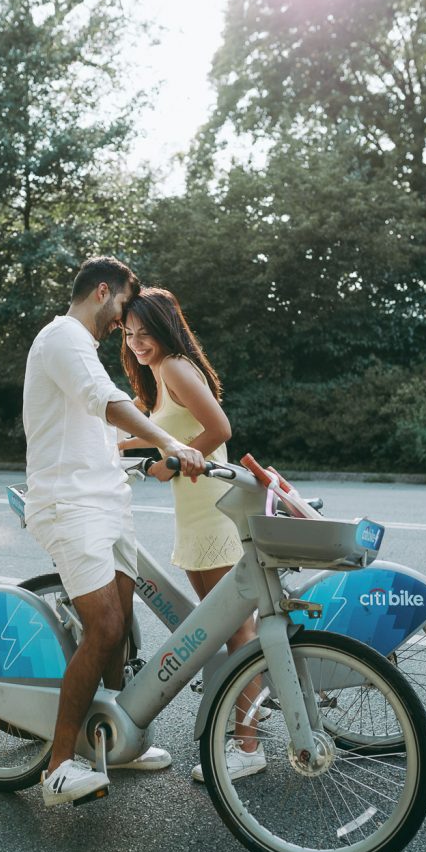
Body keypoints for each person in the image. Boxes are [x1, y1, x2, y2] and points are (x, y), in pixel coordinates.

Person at [23, 257, 206, 807]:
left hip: (105, 501)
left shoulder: (81, 346)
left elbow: (93, 429)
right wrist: (170, 441)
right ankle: (58, 766)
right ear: (103, 291)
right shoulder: (63, 337)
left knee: (120, 626)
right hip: (70, 505)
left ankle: (115, 741)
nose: (124, 322)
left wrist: (139, 459)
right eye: (124, 305)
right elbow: (104, 402)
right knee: (102, 627)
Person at [119, 287, 266, 782]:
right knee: (218, 627)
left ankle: (248, 746)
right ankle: (248, 712)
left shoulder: (176, 367)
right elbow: (161, 430)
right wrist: (114, 446)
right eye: (129, 334)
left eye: (145, 333)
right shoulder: (161, 373)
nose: (137, 343)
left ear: (166, 328)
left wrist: (172, 464)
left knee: (236, 630)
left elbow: (219, 428)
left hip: (213, 511)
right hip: (197, 513)